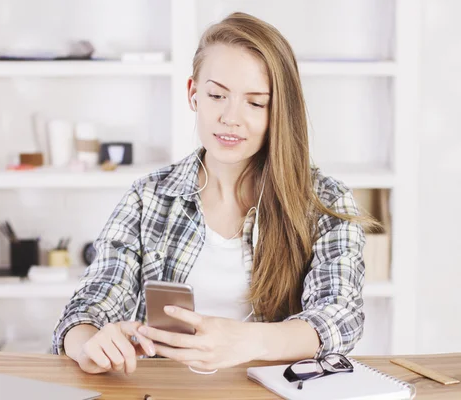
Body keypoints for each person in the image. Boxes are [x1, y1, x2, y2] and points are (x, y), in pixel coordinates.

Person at [53, 11, 371, 375]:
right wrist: (88, 344)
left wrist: (245, 341)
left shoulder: (324, 202)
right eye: (217, 95)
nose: (230, 117)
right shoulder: (149, 197)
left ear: (279, 110)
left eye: (255, 102)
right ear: (193, 94)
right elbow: (88, 306)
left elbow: (341, 316)